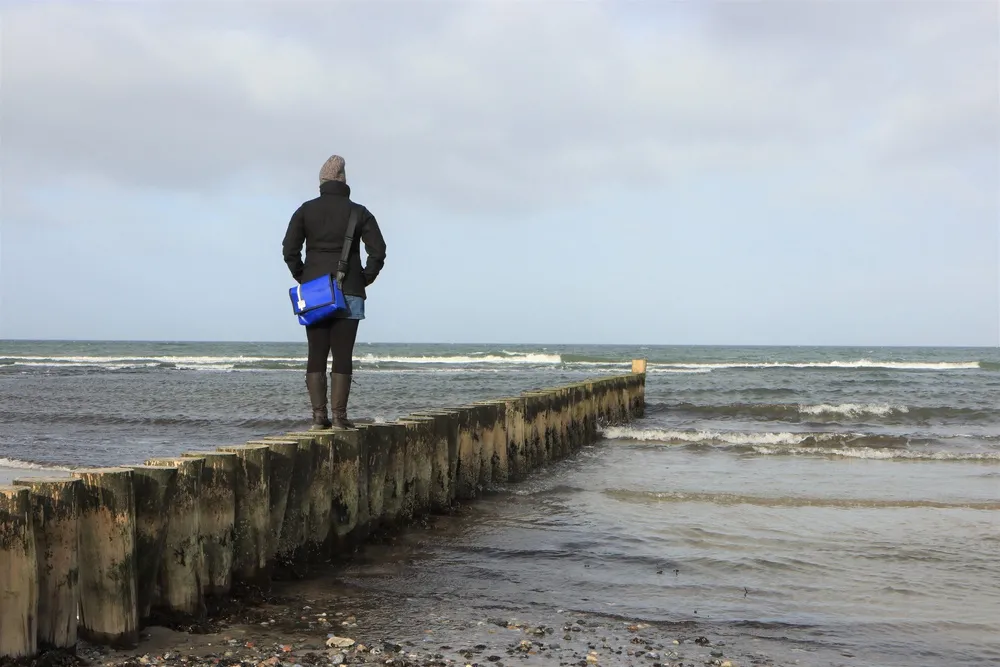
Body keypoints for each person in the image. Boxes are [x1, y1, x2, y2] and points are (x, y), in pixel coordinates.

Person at [282, 155, 386, 429]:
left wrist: (304, 277)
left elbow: (289, 250)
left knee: (315, 352)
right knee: (343, 354)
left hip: (315, 292)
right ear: (343, 180)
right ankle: (340, 418)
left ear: (322, 182)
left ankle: (319, 418)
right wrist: (364, 278)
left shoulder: (305, 211)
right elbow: (378, 250)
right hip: (349, 289)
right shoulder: (359, 212)